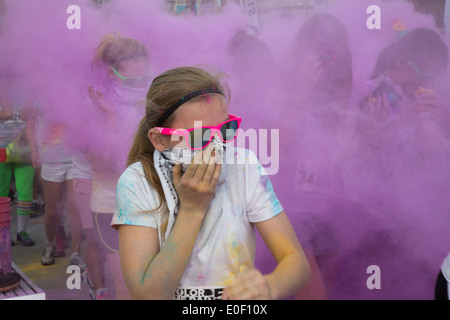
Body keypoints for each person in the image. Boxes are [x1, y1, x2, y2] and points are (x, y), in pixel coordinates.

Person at [111, 66, 310, 300]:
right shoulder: (137, 182)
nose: (217, 146)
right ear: (159, 139)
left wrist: (271, 286)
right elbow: (147, 296)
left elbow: (297, 262)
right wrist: (193, 209)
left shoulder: (242, 166)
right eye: (200, 136)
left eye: (226, 129)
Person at [78, 32, 152, 300]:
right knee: (127, 290)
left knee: (156, 286)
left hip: (153, 201)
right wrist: (110, 119)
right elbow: (100, 164)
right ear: (113, 72)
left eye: (145, 74)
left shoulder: (151, 98)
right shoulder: (95, 102)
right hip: (113, 205)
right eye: (134, 77)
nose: (141, 81)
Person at [0, 73, 36, 247]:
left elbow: (26, 115)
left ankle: (22, 232)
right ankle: (3, 232)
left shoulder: (28, 90)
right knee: (1, 193)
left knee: (25, 192)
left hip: (24, 147)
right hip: (1, 148)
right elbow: (7, 114)